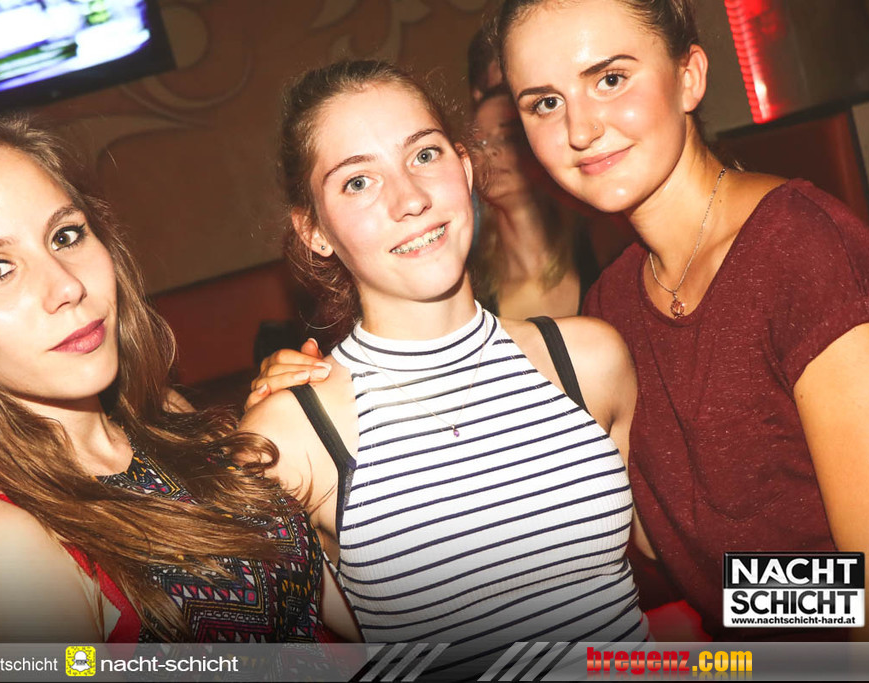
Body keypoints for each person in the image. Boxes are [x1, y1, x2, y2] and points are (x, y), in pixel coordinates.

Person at [494, 0, 869, 641]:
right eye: (545, 102)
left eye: (610, 79)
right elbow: (681, 558)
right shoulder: (611, 305)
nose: (580, 129)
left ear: (689, 78)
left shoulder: (797, 249)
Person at [240, 59, 649, 677]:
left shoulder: (588, 359)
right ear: (314, 230)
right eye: (358, 182)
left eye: (424, 155)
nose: (410, 199)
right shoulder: (290, 437)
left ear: (465, 167)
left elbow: (686, 554)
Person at [0, 115, 340, 643]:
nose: (66, 285)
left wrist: (289, 427)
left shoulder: (163, 415)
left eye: (65, 235)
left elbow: (325, 607)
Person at [467, 25, 604, 319]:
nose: (489, 152)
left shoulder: (602, 242)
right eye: (477, 142)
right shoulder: (470, 289)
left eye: (507, 136)